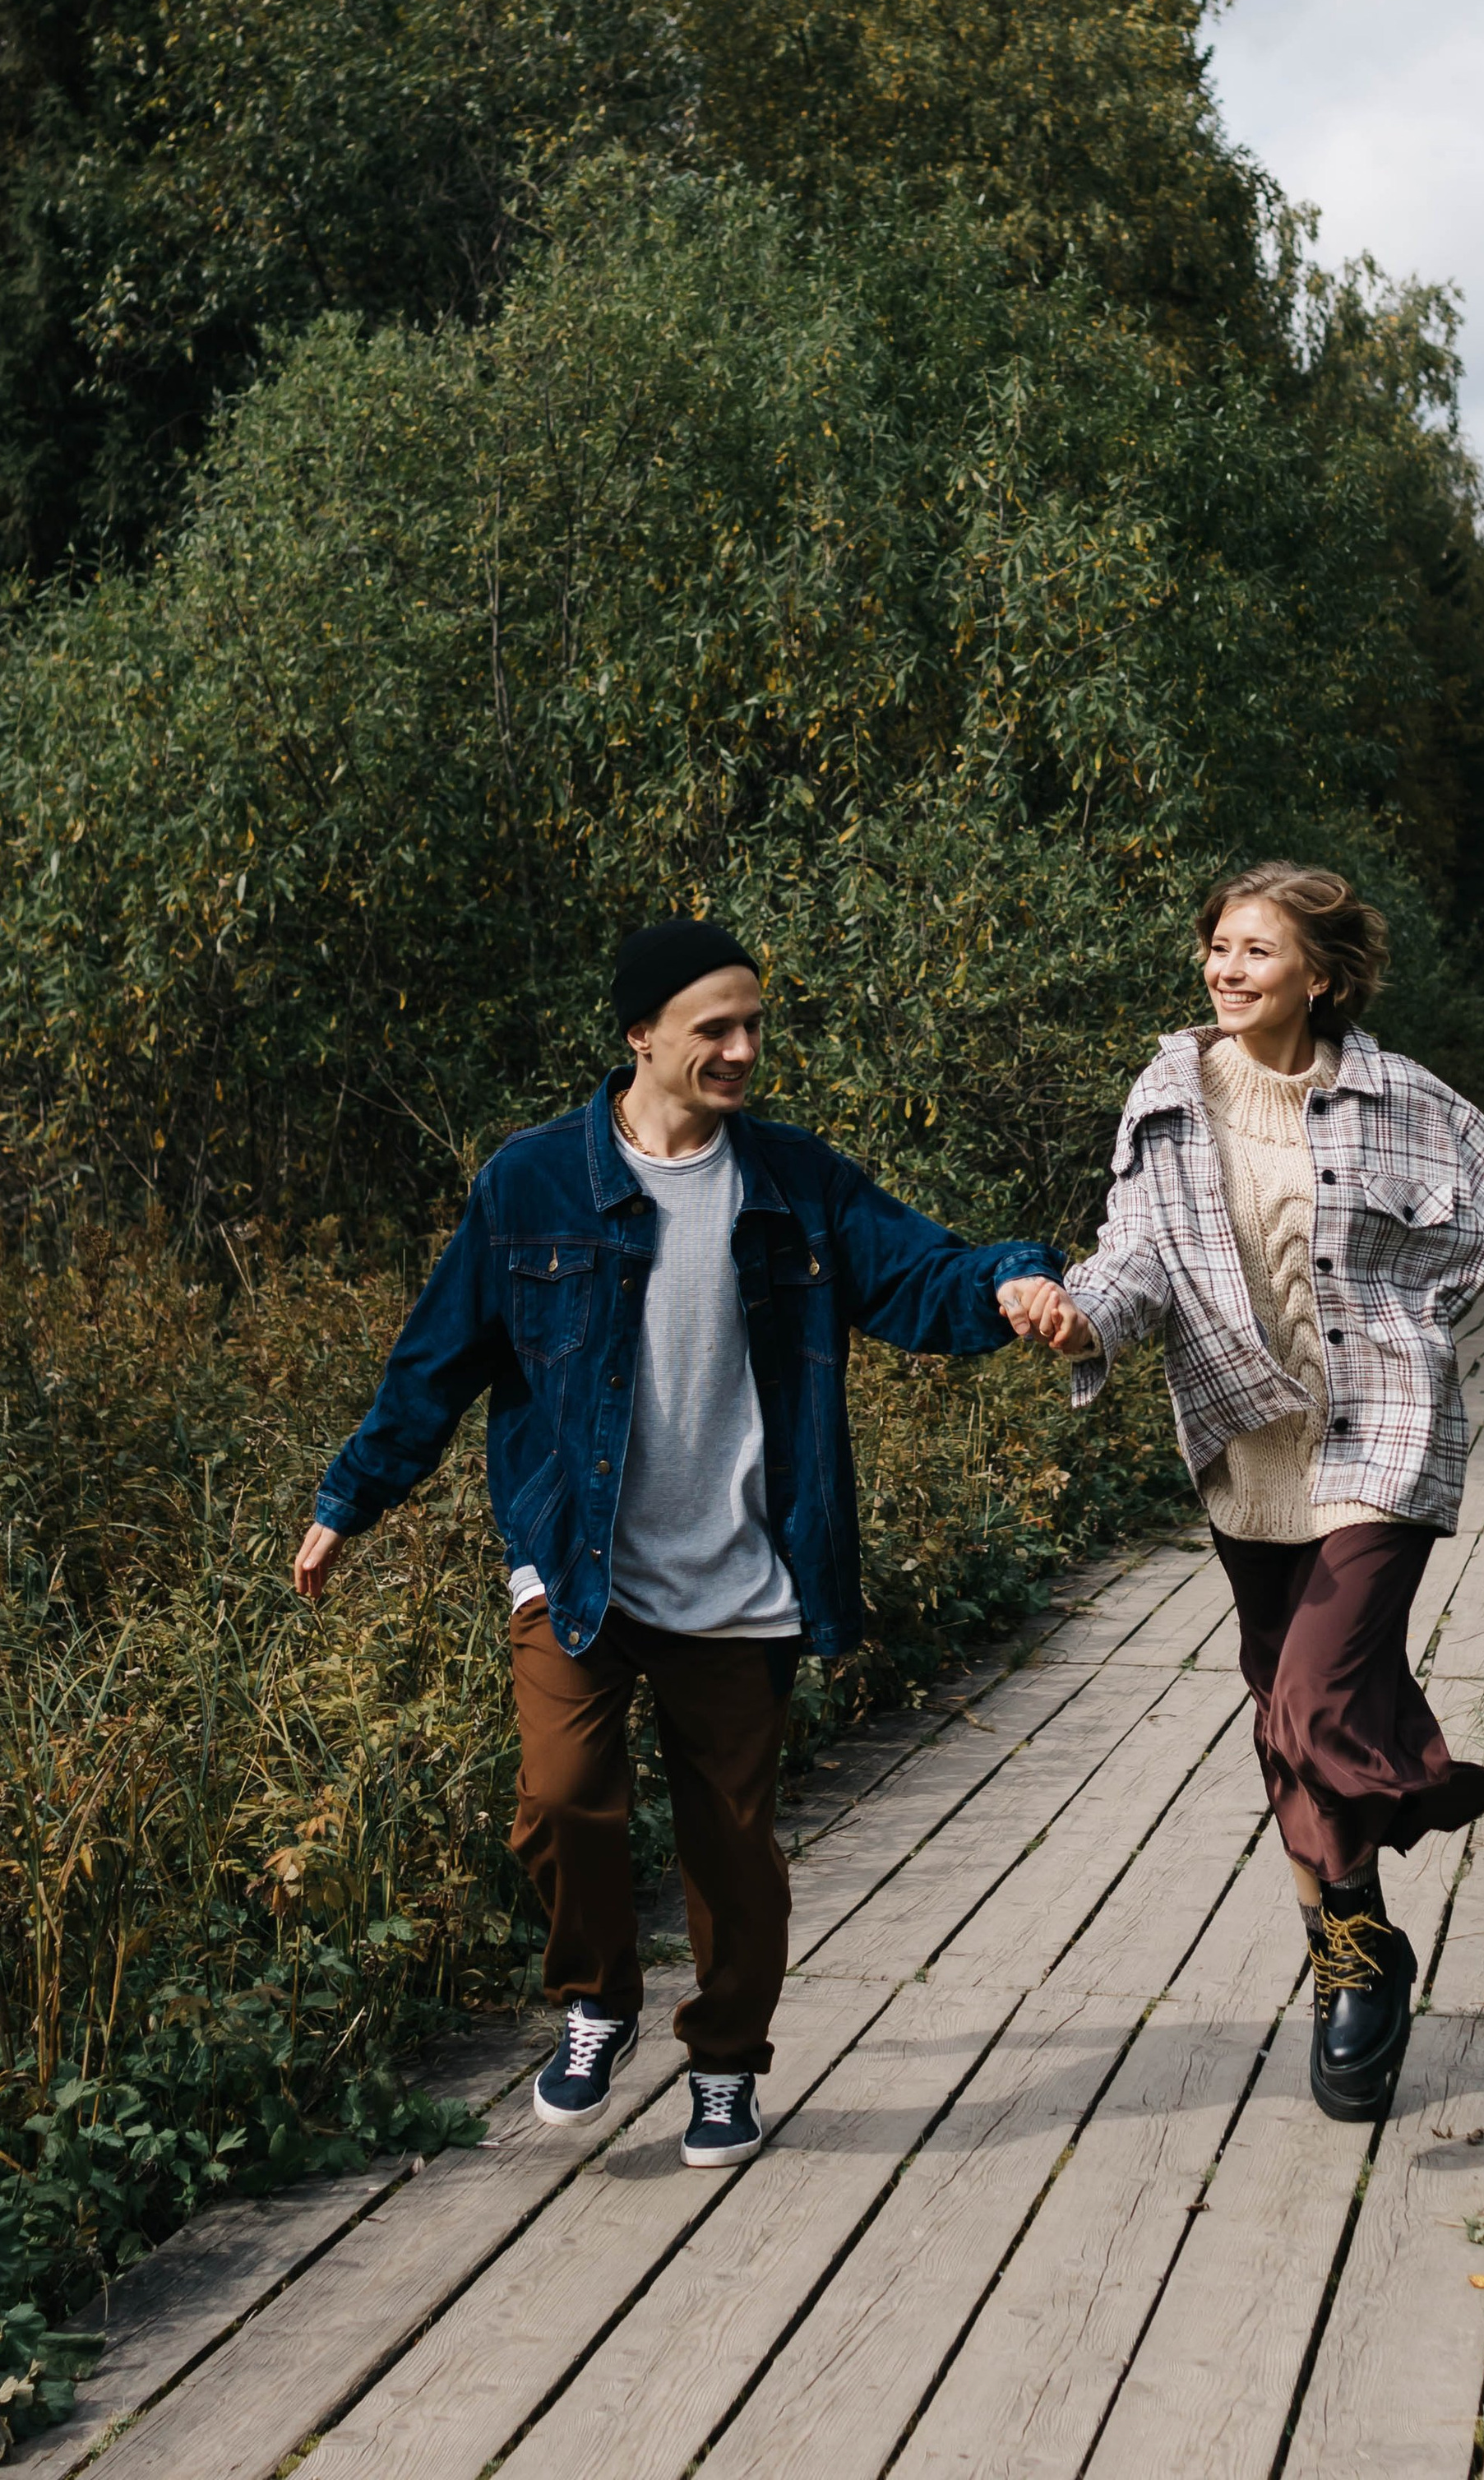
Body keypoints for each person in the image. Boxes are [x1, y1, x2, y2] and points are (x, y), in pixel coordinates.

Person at [1004, 861, 1484, 2121]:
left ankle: (1375, 1924)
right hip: (1245, 1447)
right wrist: (1077, 1313)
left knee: (1310, 1698)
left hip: (1385, 1433)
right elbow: (1133, 1259)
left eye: (1256, 951)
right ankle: (1351, 1961)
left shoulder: (1401, 1100)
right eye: (1217, 945)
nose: (1226, 967)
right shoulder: (1168, 1097)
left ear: (1320, 973)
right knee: (1283, 1712)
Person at [293, 916, 1064, 2168]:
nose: (745, 1049)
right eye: (717, 1027)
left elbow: (921, 1278)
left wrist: (1012, 1285)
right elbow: (436, 1362)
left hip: (743, 1572)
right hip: (577, 1563)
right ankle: (597, 1997)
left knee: (731, 1851)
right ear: (641, 1034)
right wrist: (349, 1499)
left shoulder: (798, 1180)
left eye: (756, 1025)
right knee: (562, 1802)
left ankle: (723, 2066)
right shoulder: (531, 1181)